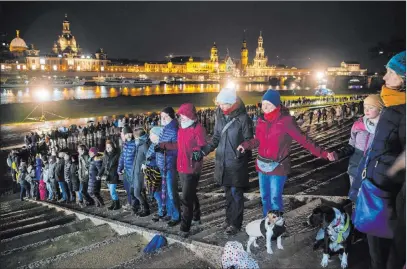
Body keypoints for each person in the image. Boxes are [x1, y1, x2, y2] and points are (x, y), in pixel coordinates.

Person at [238, 89, 333, 218]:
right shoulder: (261, 120)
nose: (264, 107)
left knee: (275, 199)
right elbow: (257, 140)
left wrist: (324, 153)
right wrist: (246, 145)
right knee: (265, 198)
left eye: (268, 104)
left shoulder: (286, 121)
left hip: (278, 166)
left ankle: (277, 226)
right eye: (263, 103)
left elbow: (304, 140)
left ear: (277, 105)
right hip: (262, 165)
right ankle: (267, 222)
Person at [354, 51, 406, 269]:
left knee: (388, 257)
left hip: (389, 198)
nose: (384, 78)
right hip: (376, 190)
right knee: (376, 253)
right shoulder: (391, 107)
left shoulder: (400, 111)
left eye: (390, 72)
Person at [207, 88, 254, 235]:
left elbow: (250, 140)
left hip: (236, 162)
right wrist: (204, 150)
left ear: (232, 103)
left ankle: (236, 224)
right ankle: (228, 220)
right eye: (219, 103)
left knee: (236, 194)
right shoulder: (219, 114)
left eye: (224, 104)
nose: (221, 106)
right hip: (222, 162)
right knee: (227, 194)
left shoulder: (243, 119)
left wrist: (244, 147)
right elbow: (216, 137)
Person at [334, 95, 384, 192]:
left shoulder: (385, 128)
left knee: (369, 199)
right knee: (355, 196)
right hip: (355, 168)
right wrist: (339, 153)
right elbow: (351, 145)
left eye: (371, 108)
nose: (367, 110)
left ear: (380, 109)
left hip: (374, 171)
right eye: (365, 107)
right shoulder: (358, 125)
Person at [155, 107, 181, 227]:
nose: (162, 119)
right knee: (166, 190)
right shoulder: (165, 129)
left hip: (170, 164)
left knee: (171, 191)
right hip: (162, 164)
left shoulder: (175, 129)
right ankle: (170, 213)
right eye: (161, 117)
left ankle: (176, 215)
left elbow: (177, 147)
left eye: (164, 117)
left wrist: (163, 147)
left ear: (171, 116)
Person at [145, 126, 165, 222]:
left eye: (151, 134)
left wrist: (150, 161)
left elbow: (158, 159)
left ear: (157, 135)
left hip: (156, 173)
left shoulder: (159, 145)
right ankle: (161, 210)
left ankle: (162, 211)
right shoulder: (153, 145)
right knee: (156, 193)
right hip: (152, 171)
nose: (149, 136)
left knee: (158, 193)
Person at [117, 126, 139, 212]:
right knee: (127, 189)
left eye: (129, 133)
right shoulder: (125, 144)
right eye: (126, 134)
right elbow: (122, 157)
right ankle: (130, 203)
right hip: (126, 171)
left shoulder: (135, 143)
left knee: (133, 190)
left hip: (132, 171)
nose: (128, 135)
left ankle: (135, 206)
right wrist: (119, 168)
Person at [131, 128, 150, 216]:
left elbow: (148, 158)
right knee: (139, 192)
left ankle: (146, 209)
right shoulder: (139, 145)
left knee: (137, 193)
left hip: (140, 173)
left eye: (135, 137)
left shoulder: (144, 145)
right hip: (136, 172)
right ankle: (144, 208)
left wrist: (144, 164)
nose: (134, 139)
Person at [99, 140, 121, 210]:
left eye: (109, 147)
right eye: (107, 147)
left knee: (112, 191)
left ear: (113, 147)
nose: (108, 149)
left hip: (114, 175)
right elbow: (103, 166)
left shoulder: (117, 155)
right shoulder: (105, 155)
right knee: (111, 192)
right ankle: (113, 203)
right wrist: (99, 174)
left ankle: (117, 204)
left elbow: (120, 164)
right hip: (107, 176)